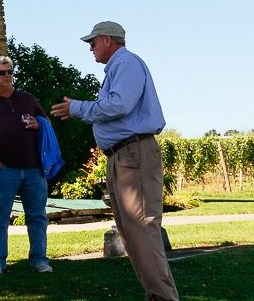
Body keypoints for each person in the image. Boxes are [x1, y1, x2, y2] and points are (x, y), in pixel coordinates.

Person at [52, 22, 179, 301]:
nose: (90, 48)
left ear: (108, 40)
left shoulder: (127, 64)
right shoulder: (118, 67)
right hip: (122, 156)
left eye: (93, 42)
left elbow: (119, 105)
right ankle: (155, 295)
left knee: (142, 230)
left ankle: (164, 298)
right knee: (132, 234)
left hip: (134, 154)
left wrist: (78, 108)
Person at [0, 56, 51, 276]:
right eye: (2, 72)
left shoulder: (27, 99)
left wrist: (38, 124)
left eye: (10, 72)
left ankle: (39, 260)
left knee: (37, 217)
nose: (8, 76)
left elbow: (47, 124)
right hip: (3, 170)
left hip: (34, 169)